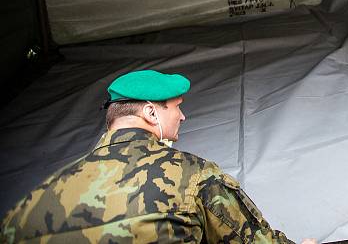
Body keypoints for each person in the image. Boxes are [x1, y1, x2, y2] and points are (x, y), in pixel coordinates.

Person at [1, 70, 315, 244]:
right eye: (177, 106)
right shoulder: (192, 177)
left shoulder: (29, 205)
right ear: (151, 112)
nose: (183, 117)